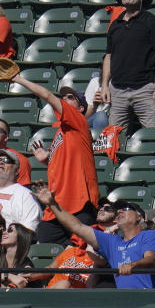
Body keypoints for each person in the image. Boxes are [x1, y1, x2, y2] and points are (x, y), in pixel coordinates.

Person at [13, 72, 100, 245]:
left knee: (82, 255)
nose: (64, 99)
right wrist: (48, 160)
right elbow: (68, 163)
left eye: (71, 97)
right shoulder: (63, 132)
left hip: (78, 202)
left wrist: (18, 79)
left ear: (80, 108)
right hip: (56, 205)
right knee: (45, 252)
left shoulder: (78, 121)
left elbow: (46, 95)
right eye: (63, 97)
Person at [34, 186, 155, 289]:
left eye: (125, 209)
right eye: (118, 209)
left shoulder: (149, 235)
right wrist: (52, 204)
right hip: (129, 301)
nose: (119, 211)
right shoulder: (112, 242)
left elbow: (151, 259)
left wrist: (133, 265)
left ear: (138, 217)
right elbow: (77, 227)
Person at [102, 0, 155, 130]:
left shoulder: (152, 21)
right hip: (117, 91)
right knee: (114, 141)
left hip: (145, 89)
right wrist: (105, 85)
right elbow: (108, 57)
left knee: (153, 134)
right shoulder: (115, 25)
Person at [0, 149, 40, 233]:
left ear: (17, 171)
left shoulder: (25, 195)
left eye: (7, 161)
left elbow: (29, 230)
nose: (1, 163)